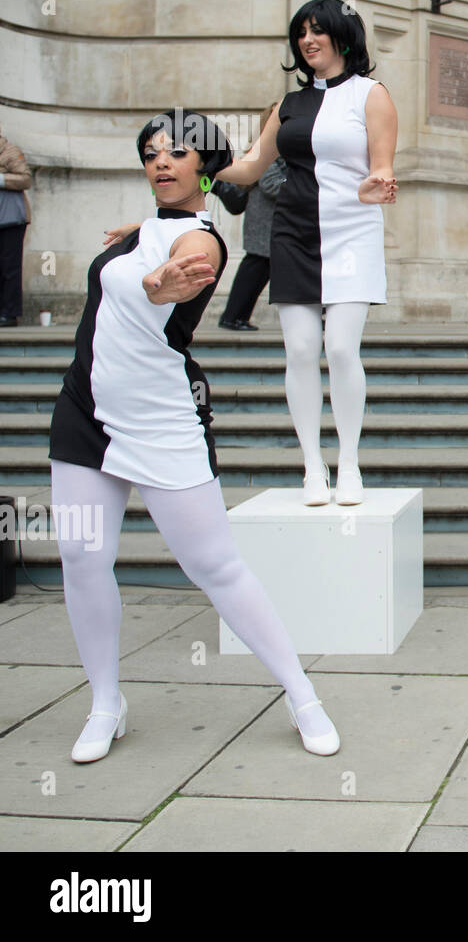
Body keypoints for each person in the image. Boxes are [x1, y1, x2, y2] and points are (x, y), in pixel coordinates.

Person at [49, 109, 339, 763]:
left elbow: (178, 266)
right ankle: (106, 702)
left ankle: (301, 693)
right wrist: (139, 249)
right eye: (151, 151)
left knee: (215, 565)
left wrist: (160, 282)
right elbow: (151, 247)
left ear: (203, 165)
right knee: (82, 558)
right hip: (83, 413)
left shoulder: (202, 240)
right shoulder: (144, 229)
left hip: (161, 418)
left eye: (176, 152)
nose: (161, 160)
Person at [217, 0, 398, 505]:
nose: (307, 40)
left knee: (340, 349)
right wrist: (203, 166)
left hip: (351, 231)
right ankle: (312, 467)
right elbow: (252, 167)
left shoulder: (372, 95)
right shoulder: (287, 105)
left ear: (343, 38)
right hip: (293, 231)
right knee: (299, 350)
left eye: (318, 31)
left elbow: (382, 167)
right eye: (301, 32)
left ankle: (350, 464)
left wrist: (378, 185)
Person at [217, 103, 286, 330]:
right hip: (264, 218)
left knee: (258, 269)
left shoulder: (277, 146)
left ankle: (236, 317)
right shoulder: (268, 147)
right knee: (254, 268)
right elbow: (269, 184)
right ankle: (232, 317)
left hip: (269, 219)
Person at [0, 123, 32, 327]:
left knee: (9, 267)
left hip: (10, 219)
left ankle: (9, 314)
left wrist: (1, 179)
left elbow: (25, 179)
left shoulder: (10, 150)